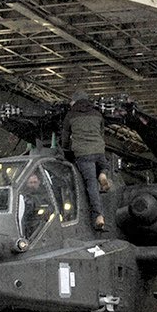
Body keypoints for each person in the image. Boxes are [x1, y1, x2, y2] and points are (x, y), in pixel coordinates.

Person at [60, 90, 110, 230]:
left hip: (83, 154)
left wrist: (65, 151)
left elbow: (65, 138)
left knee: (91, 185)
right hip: (99, 151)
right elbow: (102, 133)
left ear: (74, 101)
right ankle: (103, 173)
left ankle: (99, 216)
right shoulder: (97, 114)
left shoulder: (70, 115)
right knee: (104, 165)